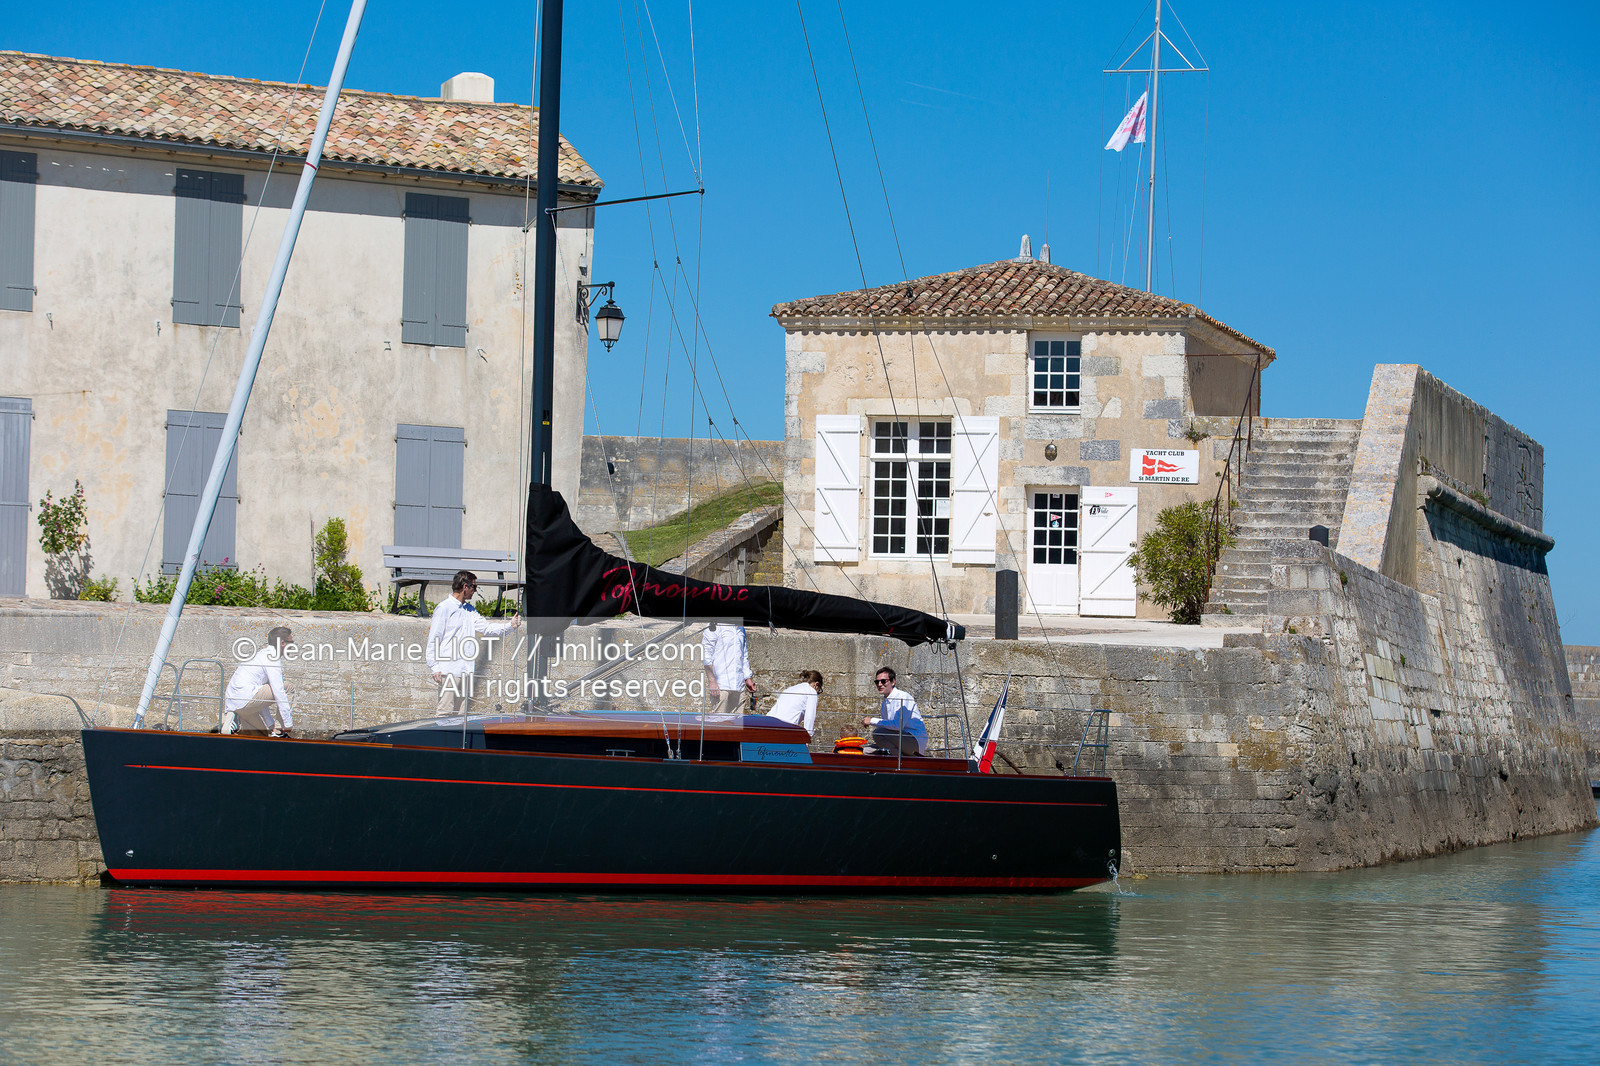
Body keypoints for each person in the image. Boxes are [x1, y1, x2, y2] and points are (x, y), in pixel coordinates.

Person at [427, 570, 522, 716]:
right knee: (445, 712)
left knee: (461, 716)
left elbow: (487, 629)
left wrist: (511, 625)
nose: (475, 591)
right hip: (448, 670)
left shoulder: (469, 610)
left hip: (465, 670)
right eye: (474, 587)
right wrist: (435, 667)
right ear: (465, 587)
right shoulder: (444, 608)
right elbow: (434, 638)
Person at [223, 626, 296, 736]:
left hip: (236, 702)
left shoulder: (261, 654)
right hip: (245, 699)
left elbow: (260, 696)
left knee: (261, 736)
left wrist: (270, 726)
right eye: (291, 642)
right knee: (288, 687)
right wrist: (287, 724)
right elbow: (279, 691)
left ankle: (235, 719)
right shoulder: (273, 657)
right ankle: (280, 730)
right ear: (282, 643)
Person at [861, 666, 927, 756]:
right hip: (900, 740)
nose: (880, 684)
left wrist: (871, 721)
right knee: (864, 752)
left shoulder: (903, 697)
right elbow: (888, 727)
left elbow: (897, 725)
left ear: (893, 682)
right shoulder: (885, 702)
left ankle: (900, 761)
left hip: (914, 741)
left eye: (883, 681)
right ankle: (895, 756)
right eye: (877, 682)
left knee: (878, 733)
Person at [702, 620, 754, 715]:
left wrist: (747, 678)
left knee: (736, 726)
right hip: (721, 686)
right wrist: (712, 681)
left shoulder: (741, 628)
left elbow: (744, 655)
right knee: (719, 724)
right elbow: (706, 656)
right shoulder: (714, 625)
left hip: (739, 686)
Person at [765, 670, 823, 734]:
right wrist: (807, 736)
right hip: (785, 728)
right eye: (819, 690)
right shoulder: (811, 691)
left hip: (768, 723)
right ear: (816, 685)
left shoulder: (790, 689)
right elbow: (809, 717)